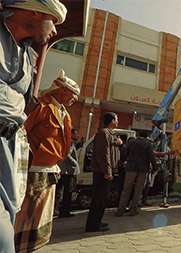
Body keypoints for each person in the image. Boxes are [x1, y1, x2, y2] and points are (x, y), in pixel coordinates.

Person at [0, 1, 66, 251]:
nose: (56, 31)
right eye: (54, 21)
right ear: (36, 11)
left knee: (13, 217)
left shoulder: (28, 57)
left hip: (10, 151)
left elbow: (22, 115)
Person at [15, 69, 79, 251]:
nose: (75, 98)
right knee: (26, 213)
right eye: (73, 94)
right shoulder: (41, 106)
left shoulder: (64, 113)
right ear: (62, 90)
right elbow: (21, 133)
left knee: (42, 212)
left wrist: (56, 166)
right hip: (33, 169)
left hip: (50, 168)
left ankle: (34, 245)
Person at [85, 112, 122, 232]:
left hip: (106, 171)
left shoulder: (111, 134)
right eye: (116, 119)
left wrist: (119, 143)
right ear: (112, 121)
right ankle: (93, 225)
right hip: (102, 172)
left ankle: (98, 221)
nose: (117, 122)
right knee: (98, 199)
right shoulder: (103, 133)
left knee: (102, 199)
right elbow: (103, 154)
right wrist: (107, 171)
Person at [116, 132, 157, 216]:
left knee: (126, 189)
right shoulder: (148, 144)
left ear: (138, 135)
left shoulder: (131, 142)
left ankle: (120, 210)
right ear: (146, 137)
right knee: (138, 190)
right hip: (143, 169)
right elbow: (151, 157)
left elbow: (126, 154)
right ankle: (133, 210)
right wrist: (155, 168)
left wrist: (125, 162)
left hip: (131, 168)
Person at [54, 128, 80, 218]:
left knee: (58, 191)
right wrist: (75, 163)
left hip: (61, 169)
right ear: (71, 134)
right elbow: (66, 155)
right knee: (67, 191)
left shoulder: (63, 140)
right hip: (68, 170)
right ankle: (65, 211)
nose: (78, 136)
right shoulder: (70, 142)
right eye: (76, 134)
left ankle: (55, 210)